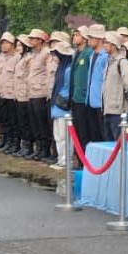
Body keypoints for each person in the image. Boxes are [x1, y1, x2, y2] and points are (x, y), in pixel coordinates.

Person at [102, 32, 128, 141]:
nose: (104, 45)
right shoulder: (109, 62)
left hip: (118, 112)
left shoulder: (122, 62)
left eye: (106, 42)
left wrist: (122, 98)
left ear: (113, 44)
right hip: (107, 110)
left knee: (119, 144)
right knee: (109, 144)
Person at [26, 28, 54, 161]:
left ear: (40, 40)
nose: (30, 41)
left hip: (41, 93)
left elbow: (49, 73)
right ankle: (39, 148)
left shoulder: (46, 54)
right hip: (31, 92)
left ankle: (45, 149)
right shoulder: (33, 54)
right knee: (34, 123)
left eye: (33, 39)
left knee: (42, 123)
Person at [49, 40, 75, 169]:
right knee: (57, 135)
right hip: (56, 106)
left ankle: (66, 160)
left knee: (65, 136)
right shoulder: (60, 68)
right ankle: (60, 159)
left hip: (64, 107)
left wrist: (61, 100)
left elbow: (69, 88)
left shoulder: (69, 69)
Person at [0, 33, 19, 153]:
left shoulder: (17, 58)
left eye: (6, 43)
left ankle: (12, 142)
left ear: (12, 44)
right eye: (2, 43)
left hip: (11, 93)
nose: (3, 45)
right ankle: (4, 139)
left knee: (12, 119)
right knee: (1, 118)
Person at [84, 24, 108, 146]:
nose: (88, 40)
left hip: (101, 102)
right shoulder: (92, 55)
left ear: (99, 39)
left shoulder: (105, 56)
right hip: (91, 100)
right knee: (93, 134)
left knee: (103, 133)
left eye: (91, 37)